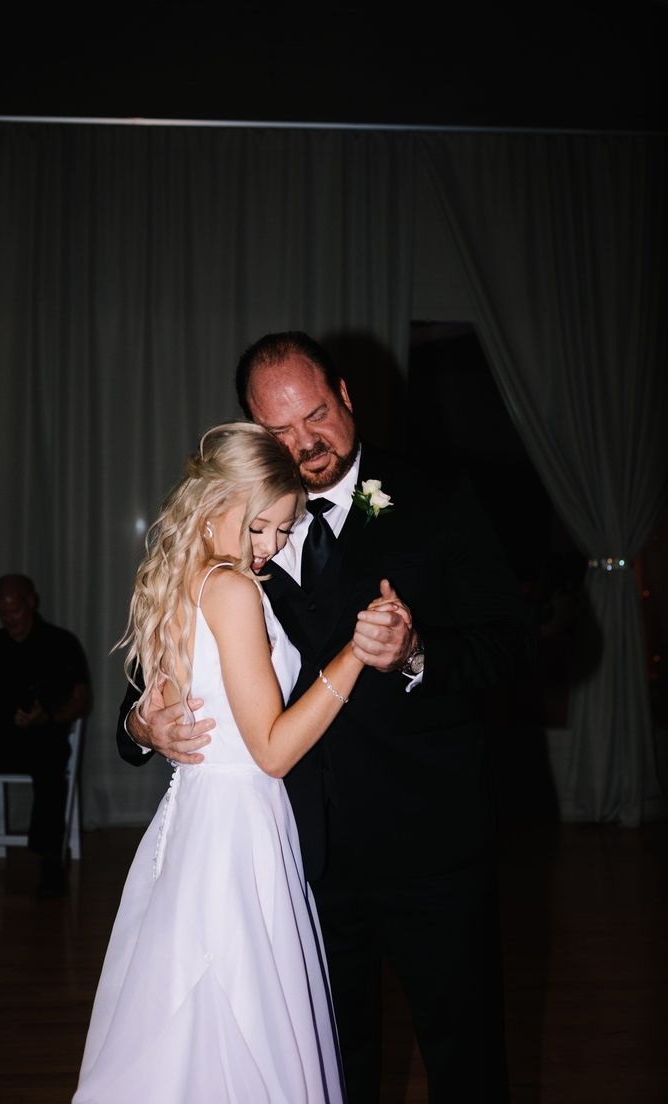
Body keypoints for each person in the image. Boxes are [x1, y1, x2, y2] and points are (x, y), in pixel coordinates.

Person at [118, 333, 538, 1103]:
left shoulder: (438, 496)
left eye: (316, 416)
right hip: (296, 864)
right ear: (249, 427)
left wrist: (416, 652)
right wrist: (146, 727)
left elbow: (513, 648)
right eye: (279, 432)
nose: (304, 443)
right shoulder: (237, 525)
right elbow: (157, 677)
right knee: (324, 1073)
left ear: (346, 395)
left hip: (430, 852)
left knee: (466, 1062)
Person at [74, 422, 397, 1103]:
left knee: (197, 1025)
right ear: (219, 502)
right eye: (263, 528)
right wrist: (356, 657)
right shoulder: (231, 589)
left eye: (284, 532)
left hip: (198, 819)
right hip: (236, 826)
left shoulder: (180, 575)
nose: (273, 548)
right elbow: (273, 750)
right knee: (238, 1018)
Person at [0, 574, 90, 897]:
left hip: (43, 737)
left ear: (31, 603)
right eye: (4, 612)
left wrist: (49, 716)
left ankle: (50, 862)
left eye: (16, 612)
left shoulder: (60, 643)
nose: (11, 619)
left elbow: (81, 700)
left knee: (51, 763)